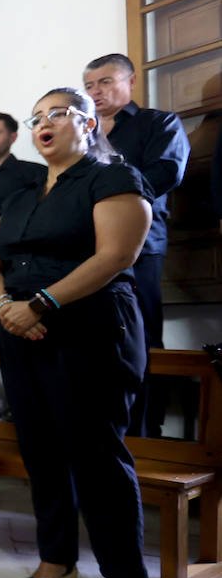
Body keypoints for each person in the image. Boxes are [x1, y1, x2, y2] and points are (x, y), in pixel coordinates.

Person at [0, 88, 153, 578]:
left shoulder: (111, 177)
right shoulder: (25, 192)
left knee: (95, 450)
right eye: (35, 118)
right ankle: (58, 559)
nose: (42, 123)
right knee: (41, 449)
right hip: (21, 331)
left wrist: (42, 303)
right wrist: (7, 306)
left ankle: (126, 575)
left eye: (55, 113)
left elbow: (116, 255)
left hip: (91, 327)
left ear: (85, 120)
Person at [84, 53, 190, 436]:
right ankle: (104, 430)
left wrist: (110, 198)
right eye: (90, 85)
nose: (97, 91)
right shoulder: (84, 133)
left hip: (140, 244)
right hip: (86, 247)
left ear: (131, 83)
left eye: (106, 82)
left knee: (141, 335)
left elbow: (167, 172)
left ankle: (146, 431)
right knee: (93, 337)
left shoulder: (158, 122)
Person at [0, 112, 48, 415]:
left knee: (21, 347)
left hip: (18, 274)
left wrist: (1, 219)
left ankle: (23, 417)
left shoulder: (35, 173)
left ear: (13, 137)